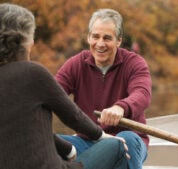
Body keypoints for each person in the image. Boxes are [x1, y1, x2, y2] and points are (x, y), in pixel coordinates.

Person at [0, 3, 128, 169]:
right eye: (32, 36)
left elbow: (23, 128)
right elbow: (73, 116)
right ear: (24, 41)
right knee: (118, 146)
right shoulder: (33, 73)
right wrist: (102, 135)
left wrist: (67, 149)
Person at [55, 8, 152, 169]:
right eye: (95, 36)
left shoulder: (134, 63)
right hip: (88, 140)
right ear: (88, 37)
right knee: (48, 142)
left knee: (125, 141)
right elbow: (54, 94)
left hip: (129, 139)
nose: (100, 44)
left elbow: (142, 93)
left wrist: (121, 107)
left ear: (119, 40)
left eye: (107, 38)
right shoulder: (76, 64)